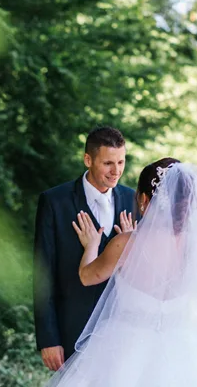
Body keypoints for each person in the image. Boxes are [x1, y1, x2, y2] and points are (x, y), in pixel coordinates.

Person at [45, 158, 197, 386]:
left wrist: (93, 245)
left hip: (124, 350)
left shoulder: (125, 244)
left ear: (144, 199)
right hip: (186, 351)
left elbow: (87, 276)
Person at [33, 126, 137, 371]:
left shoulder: (133, 201)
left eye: (121, 162)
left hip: (122, 331)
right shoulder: (54, 202)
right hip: (72, 329)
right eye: (108, 163)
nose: (116, 171)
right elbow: (43, 273)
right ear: (88, 159)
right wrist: (49, 338)